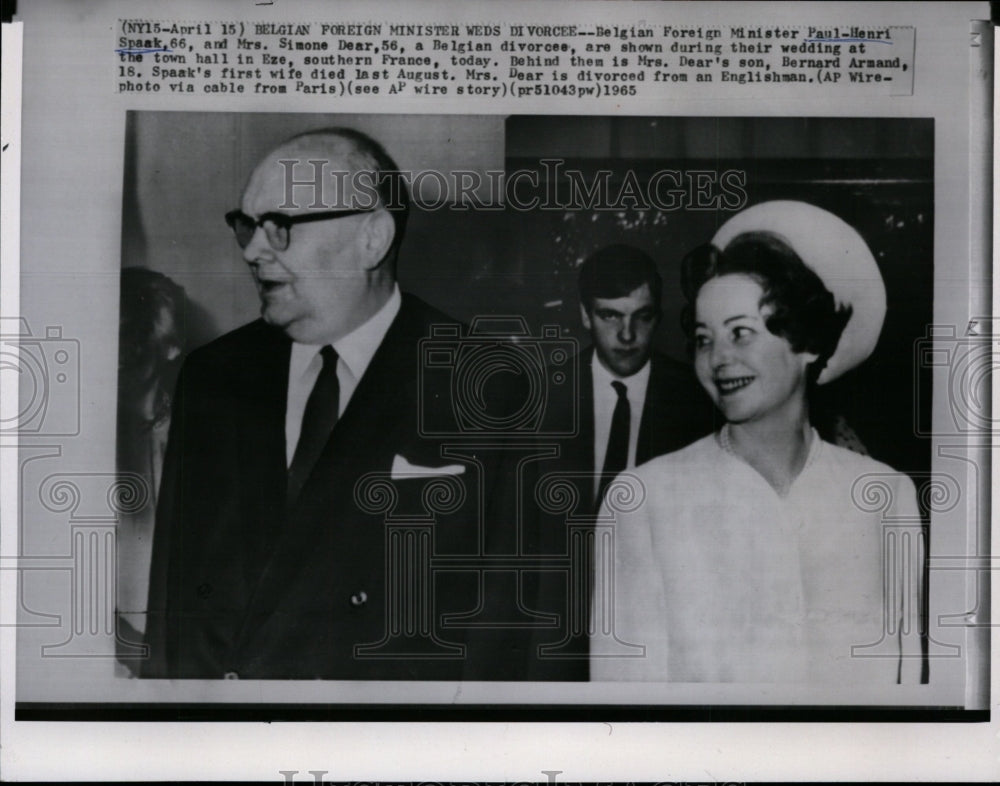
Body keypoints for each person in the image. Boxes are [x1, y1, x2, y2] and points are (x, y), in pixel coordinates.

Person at [143, 128, 501, 679]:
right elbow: (172, 609)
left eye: (280, 227)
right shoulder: (213, 375)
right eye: (247, 226)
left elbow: (504, 640)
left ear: (373, 239)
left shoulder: (488, 386)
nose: (252, 251)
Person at [591, 201, 922, 684]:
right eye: (704, 339)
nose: (718, 359)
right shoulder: (643, 499)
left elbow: (903, 687)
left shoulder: (885, 498)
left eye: (740, 334)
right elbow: (624, 706)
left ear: (806, 342)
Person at [524, 244, 716, 680]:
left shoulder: (697, 403)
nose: (627, 335)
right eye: (611, 316)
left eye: (642, 317)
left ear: (658, 317)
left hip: (661, 630)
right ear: (585, 315)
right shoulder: (541, 399)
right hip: (559, 635)